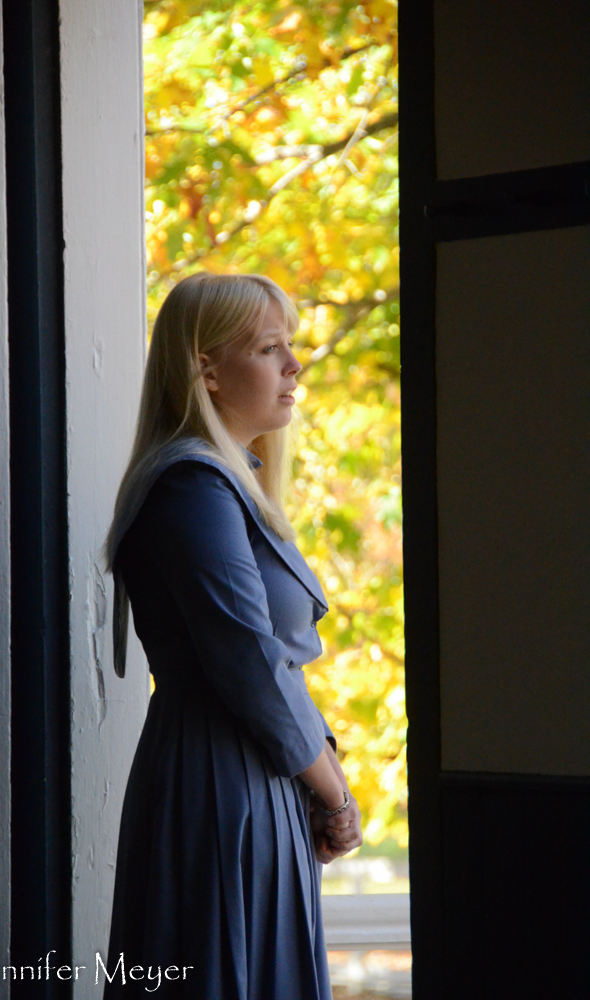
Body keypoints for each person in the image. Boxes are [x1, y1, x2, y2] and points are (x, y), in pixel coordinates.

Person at [103, 272, 363, 999]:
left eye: (292, 347)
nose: (294, 366)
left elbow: (269, 666)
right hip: (220, 787)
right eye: (269, 348)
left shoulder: (226, 482)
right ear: (206, 371)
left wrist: (319, 774)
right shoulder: (192, 486)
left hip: (257, 779)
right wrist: (335, 795)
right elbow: (249, 662)